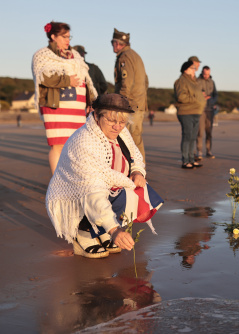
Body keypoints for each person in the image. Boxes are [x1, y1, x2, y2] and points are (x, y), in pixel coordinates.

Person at [45, 94, 163, 258]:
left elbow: (135, 155)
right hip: (76, 196)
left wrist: (137, 172)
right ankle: (83, 234)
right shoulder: (84, 142)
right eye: (111, 120)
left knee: (136, 191)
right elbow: (93, 193)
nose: (117, 127)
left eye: (122, 122)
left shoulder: (121, 132)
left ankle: (100, 231)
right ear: (96, 115)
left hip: (106, 187)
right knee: (96, 197)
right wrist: (114, 230)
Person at [32, 21, 97, 175]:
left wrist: (90, 101)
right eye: (64, 36)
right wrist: (68, 80)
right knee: (58, 145)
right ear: (53, 36)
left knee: (76, 143)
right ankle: (57, 180)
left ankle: (73, 177)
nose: (68, 40)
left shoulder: (75, 55)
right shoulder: (42, 55)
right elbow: (43, 78)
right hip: (56, 106)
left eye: (69, 36)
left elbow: (86, 81)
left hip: (77, 107)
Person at [112, 28, 149, 161]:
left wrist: (119, 104)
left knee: (130, 140)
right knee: (136, 139)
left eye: (113, 42)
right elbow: (146, 81)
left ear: (118, 43)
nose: (113, 46)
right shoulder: (135, 56)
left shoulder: (125, 57)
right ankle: (139, 171)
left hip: (130, 105)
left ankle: (137, 172)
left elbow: (126, 84)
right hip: (138, 103)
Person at [174, 61, 206, 169]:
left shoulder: (194, 82)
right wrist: (196, 99)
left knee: (193, 137)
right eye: (192, 68)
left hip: (196, 112)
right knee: (187, 136)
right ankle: (185, 160)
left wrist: (201, 99)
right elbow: (181, 97)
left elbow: (197, 94)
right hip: (186, 112)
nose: (194, 70)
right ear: (186, 69)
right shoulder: (180, 81)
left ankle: (192, 159)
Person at [195, 65, 218, 160]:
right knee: (200, 132)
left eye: (208, 74)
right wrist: (202, 96)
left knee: (209, 132)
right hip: (200, 110)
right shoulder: (197, 81)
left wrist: (212, 100)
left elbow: (216, 95)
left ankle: (208, 151)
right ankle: (199, 151)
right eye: (205, 74)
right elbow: (194, 93)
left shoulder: (212, 82)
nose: (206, 76)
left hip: (210, 110)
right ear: (202, 72)